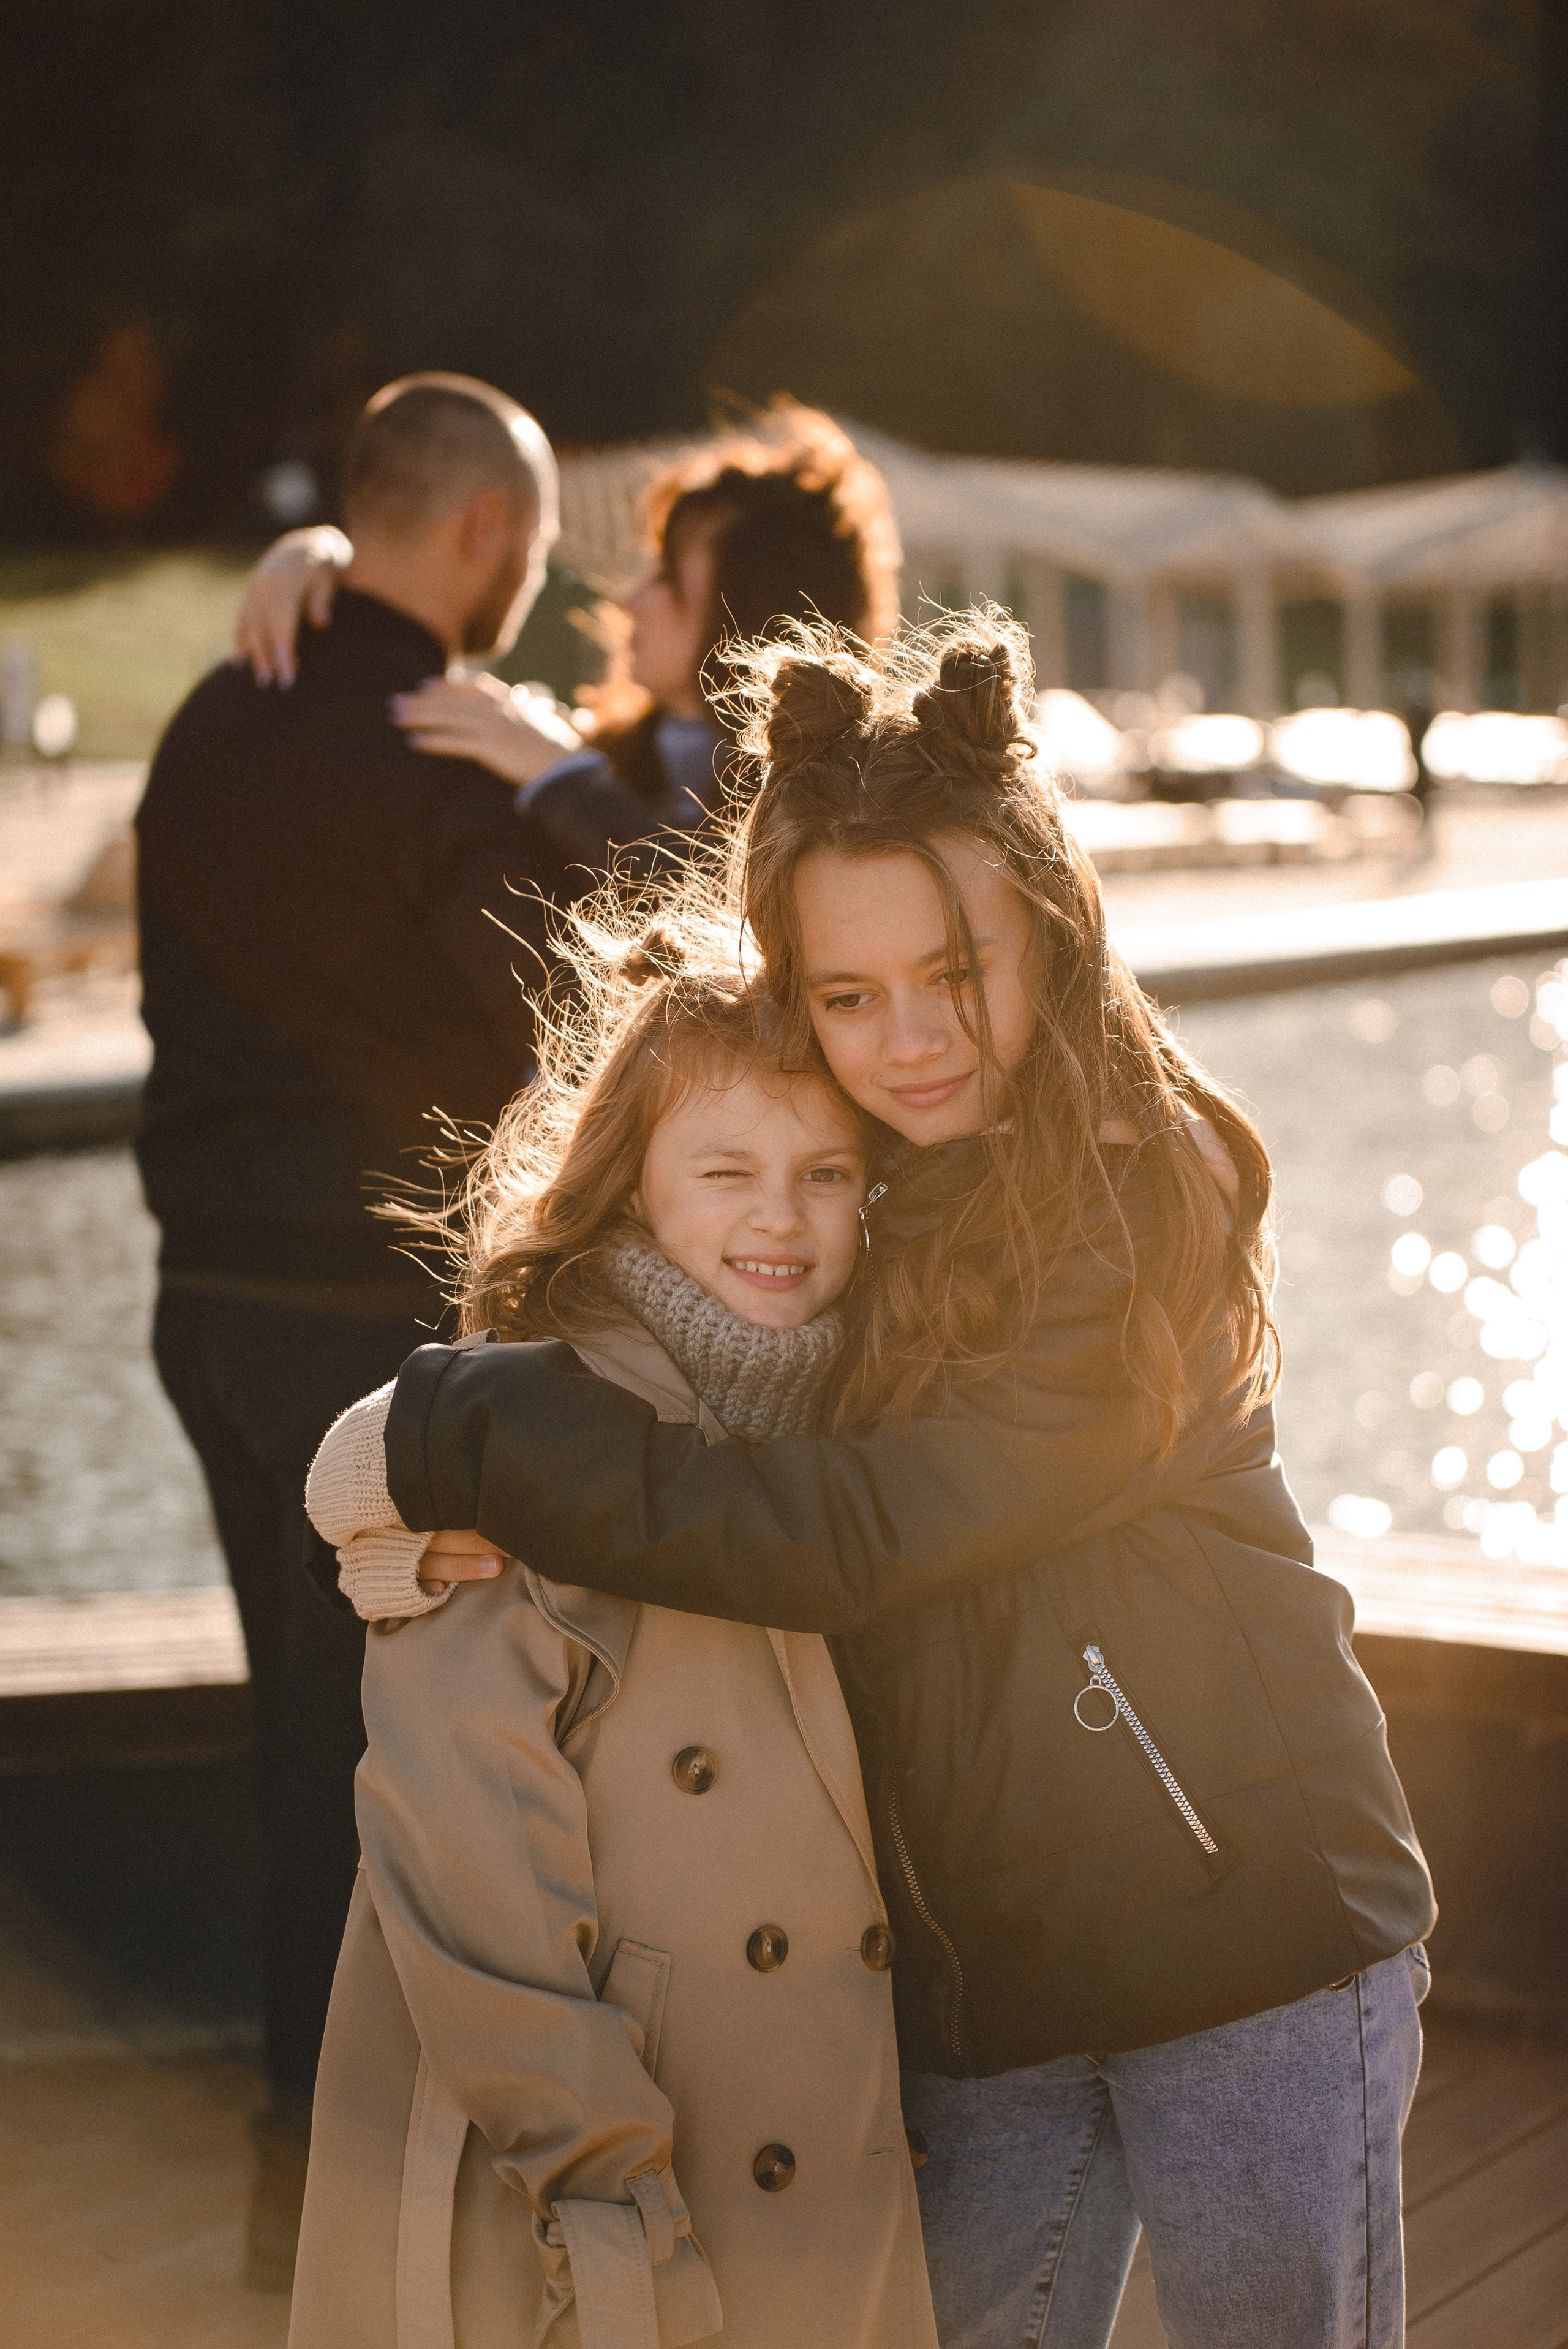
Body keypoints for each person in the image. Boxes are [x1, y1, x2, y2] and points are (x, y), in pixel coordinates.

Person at [320, 608, 1437, 2349]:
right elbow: (673, 1298)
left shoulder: (1137, 1207)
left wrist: (463, 1431)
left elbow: (852, 1536)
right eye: (847, 995)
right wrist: (396, 1478)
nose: (908, 1037)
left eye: (956, 973)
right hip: (980, 1969)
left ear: (1053, 932)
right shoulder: (866, 1188)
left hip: (1252, 1936)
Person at [293, 918, 936, 2349]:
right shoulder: (514, 1455)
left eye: (824, 1173)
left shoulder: (846, 1436)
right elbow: (469, 1885)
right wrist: (609, 2212)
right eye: (724, 1172)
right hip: (581, 2211)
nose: (780, 1217)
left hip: (809, 2164)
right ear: (627, 1188)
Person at [134, 370, 559, 2288]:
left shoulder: (215, 710)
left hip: (205, 1314)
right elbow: (569, 1025)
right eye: (534, 547)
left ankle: (294, 2199)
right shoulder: (446, 759)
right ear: (482, 532)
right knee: (395, 1774)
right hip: (368, 1352)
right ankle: (328, 2217)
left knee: (303, 1749)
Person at [232, 399, 901, 875]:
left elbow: (725, 905)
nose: (628, 599)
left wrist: (562, 778)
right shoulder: (616, 751)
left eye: (667, 579)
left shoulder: (849, 788)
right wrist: (323, 555)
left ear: (750, 617)